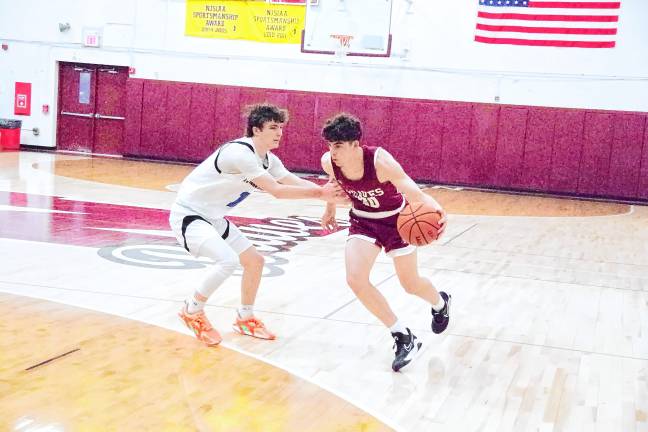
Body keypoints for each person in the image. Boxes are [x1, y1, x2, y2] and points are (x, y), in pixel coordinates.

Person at [170, 103, 340, 346]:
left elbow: (293, 181)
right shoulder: (239, 153)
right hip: (189, 215)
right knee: (227, 260)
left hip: (214, 218)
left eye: (280, 127)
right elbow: (277, 191)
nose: (279, 132)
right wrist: (322, 194)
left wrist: (328, 199)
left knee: (255, 261)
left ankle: (244, 317)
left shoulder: (268, 160)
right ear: (256, 130)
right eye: (272, 127)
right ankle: (192, 310)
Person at [319, 113, 451, 372]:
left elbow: (411, 188)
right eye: (330, 145)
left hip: (396, 222)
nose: (332, 151)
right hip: (363, 222)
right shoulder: (328, 162)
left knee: (410, 285)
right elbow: (334, 184)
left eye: (338, 146)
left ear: (355, 144)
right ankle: (403, 336)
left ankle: (440, 303)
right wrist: (330, 210)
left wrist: (437, 208)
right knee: (355, 279)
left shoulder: (380, 161)